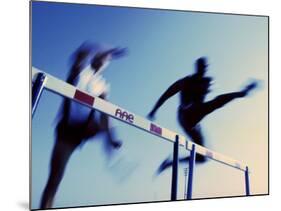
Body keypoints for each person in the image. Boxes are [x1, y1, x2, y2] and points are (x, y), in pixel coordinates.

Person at [40, 42, 127, 209]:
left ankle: (113, 152)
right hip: (67, 129)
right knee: (55, 178)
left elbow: (105, 112)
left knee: (106, 114)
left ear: (106, 63)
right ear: (94, 57)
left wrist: (111, 137)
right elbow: (83, 50)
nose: (102, 59)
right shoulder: (81, 70)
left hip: (85, 129)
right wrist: (109, 50)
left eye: (105, 59)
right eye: (100, 56)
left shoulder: (103, 84)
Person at [147, 57, 258, 174]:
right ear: (197, 68)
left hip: (196, 121)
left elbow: (217, 98)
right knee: (215, 102)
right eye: (202, 68)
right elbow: (166, 95)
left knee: (202, 157)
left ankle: (170, 163)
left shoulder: (207, 81)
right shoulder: (185, 82)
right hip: (185, 115)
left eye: (205, 68)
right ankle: (241, 93)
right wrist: (154, 110)